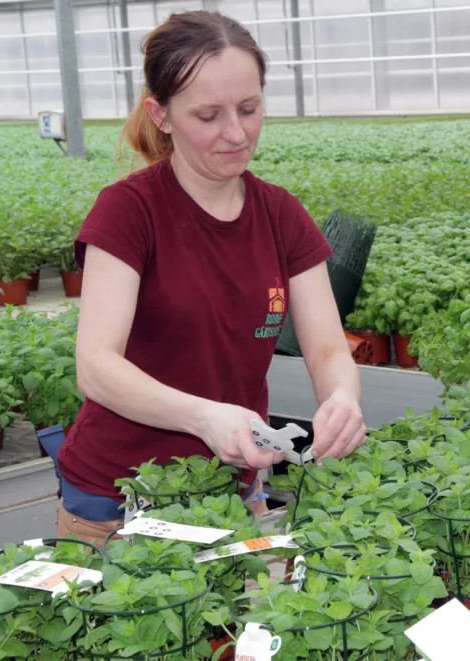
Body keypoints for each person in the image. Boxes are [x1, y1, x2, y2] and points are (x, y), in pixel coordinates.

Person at [52, 10, 366, 544]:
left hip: (232, 494)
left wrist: (342, 399)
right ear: (162, 115)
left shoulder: (281, 215)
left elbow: (328, 350)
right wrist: (205, 418)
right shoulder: (130, 211)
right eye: (208, 115)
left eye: (249, 108)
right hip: (117, 501)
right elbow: (96, 366)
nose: (236, 133)